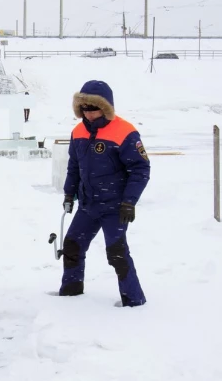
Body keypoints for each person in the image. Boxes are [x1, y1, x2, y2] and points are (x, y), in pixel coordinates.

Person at [59, 80, 150, 307]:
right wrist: (69, 194)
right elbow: (73, 167)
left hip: (115, 207)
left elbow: (140, 169)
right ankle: (70, 294)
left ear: (106, 107)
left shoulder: (125, 132)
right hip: (88, 205)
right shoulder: (78, 132)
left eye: (94, 108)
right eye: (84, 109)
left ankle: (134, 301)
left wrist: (129, 201)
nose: (88, 114)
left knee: (117, 253)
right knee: (72, 246)